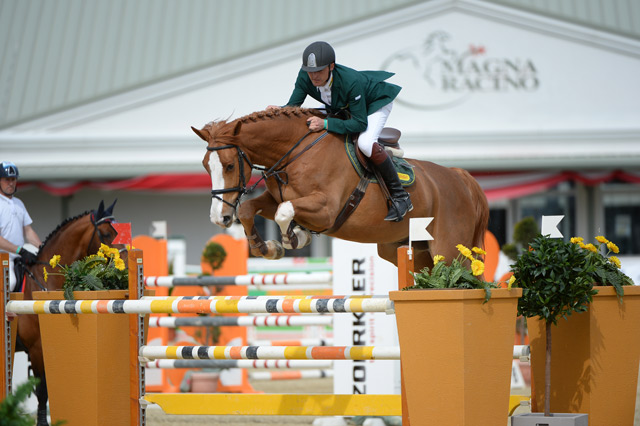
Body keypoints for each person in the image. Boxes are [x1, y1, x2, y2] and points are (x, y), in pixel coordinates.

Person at [268, 41, 412, 222]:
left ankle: (401, 197)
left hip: (374, 103)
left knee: (365, 144)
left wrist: (326, 124)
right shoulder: (305, 76)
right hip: (341, 101)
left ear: (331, 66)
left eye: (319, 71)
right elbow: (294, 107)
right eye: (310, 71)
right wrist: (279, 111)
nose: (314, 76)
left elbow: (359, 123)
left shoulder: (350, 81)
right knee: (309, 122)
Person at [0, 161, 42, 292]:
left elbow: (28, 231)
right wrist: (20, 250)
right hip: (2, 256)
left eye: (13, 179)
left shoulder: (19, 203)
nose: (11, 183)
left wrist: (43, 249)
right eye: (7, 179)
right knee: (10, 282)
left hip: (16, 256)